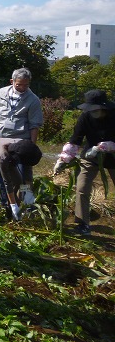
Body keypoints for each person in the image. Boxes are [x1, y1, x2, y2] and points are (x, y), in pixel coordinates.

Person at [53, 89, 115, 236]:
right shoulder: (85, 117)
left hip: (113, 156)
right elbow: (76, 140)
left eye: (95, 109)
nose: (92, 111)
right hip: (91, 154)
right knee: (82, 187)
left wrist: (110, 146)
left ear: (103, 107)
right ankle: (82, 223)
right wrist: (63, 159)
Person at [0, 68, 43, 208]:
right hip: (2, 139)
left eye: (26, 85)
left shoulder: (33, 100)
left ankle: (24, 200)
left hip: (21, 142)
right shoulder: (2, 93)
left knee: (23, 174)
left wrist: (31, 146)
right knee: (1, 172)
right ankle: (6, 202)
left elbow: (34, 125)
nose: (22, 88)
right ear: (12, 81)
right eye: (19, 85)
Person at [0, 137, 42, 222]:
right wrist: (13, 205)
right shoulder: (3, 157)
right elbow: (7, 182)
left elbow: (27, 173)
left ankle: (18, 209)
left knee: (19, 181)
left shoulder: (26, 148)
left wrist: (29, 192)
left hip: (9, 155)